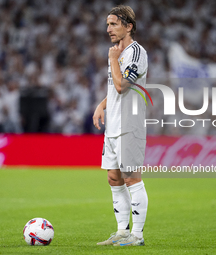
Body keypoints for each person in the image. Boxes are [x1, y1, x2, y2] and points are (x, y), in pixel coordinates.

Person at [93, 5, 148, 247]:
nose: (108, 29)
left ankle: (137, 235)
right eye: (107, 24)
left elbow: (122, 85)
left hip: (129, 125)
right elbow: (113, 90)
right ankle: (122, 232)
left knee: (131, 178)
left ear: (129, 26)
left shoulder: (136, 53)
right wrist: (101, 105)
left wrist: (113, 59)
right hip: (113, 124)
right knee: (114, 178)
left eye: (114, 24)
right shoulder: (116, 52)